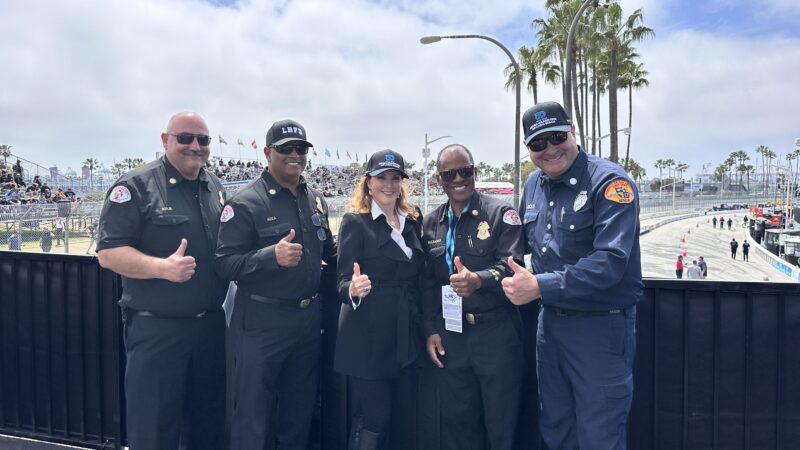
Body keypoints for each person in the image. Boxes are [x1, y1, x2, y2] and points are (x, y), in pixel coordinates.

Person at [502, 101, 642, 450]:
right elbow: (523, 248)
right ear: (528, 149)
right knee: (556, 427)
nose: (549, 150)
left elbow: (610, 261)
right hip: (550, 327)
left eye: (556, 137)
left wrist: (539, 286)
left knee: (599, 435)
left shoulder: (610, 181)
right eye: (538, 143)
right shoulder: (533, 184)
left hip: (600, 326)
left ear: (572, 131)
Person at [96, 111, 227, 449]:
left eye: (203, 140)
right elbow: (108, 254)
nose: (195, 146)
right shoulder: (136, 186)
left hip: (210, 328)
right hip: (158, 332)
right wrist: (161, 268)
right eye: (185, 138)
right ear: (165, 140)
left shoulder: (214, 186)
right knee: (154, 431)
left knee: (208, 428)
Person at [215, 119, 337, 450]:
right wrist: (271, 256)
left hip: (307, 319)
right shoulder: (244, 203)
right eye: (286, 149)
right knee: (254, 414)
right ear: (268, 153)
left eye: (301, 149)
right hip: (262, 322)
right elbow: (225, 264)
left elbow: (330, 251)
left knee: (298, 413)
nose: (295, 155)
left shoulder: (314, 199)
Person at [421, 144, 524, 450]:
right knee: (458, 423)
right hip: (452, 335)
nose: (458, 179)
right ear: (440, 179)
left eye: (464, 171)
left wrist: (477, 281)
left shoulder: (501, 214)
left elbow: (511, 267)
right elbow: (426, 282)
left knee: (501, 425)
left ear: (474, 172)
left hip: (496, 333)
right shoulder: (431, 223)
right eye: (449, 174)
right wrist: (430, 330)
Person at [334, 149, 424, 449]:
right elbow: (341, 281)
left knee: (402, 415)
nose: (389, 184)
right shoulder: (354, 222)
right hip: (367, 336)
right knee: (375, 417)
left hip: (405, 332)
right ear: (368, 183)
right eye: (381, 178)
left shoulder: (412, 220)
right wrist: (353, 288)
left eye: (395, 178)